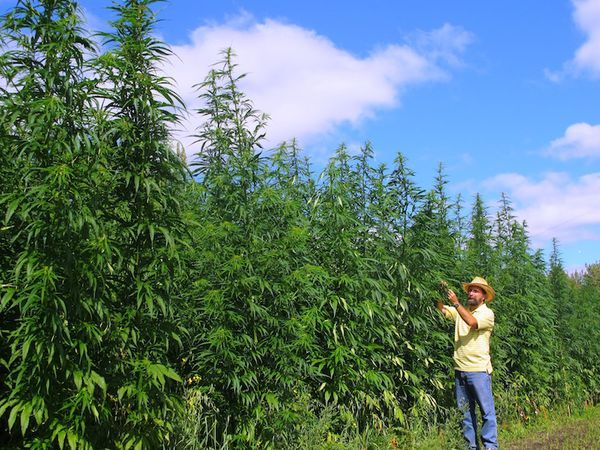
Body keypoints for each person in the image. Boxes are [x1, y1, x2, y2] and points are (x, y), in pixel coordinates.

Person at [436, 277, 498, 450]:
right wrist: (438, 292)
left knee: (487, 413)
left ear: (484, 296)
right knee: (466, 414)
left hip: (479, 371)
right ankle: (471, 447)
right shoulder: (460, 312)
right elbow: (441, 309)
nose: (471, 293)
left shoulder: (487, 314)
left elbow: (471, 322)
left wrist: (456, 303)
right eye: (470, 290)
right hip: (460, 371)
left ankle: (491, 447)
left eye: (476, 290)